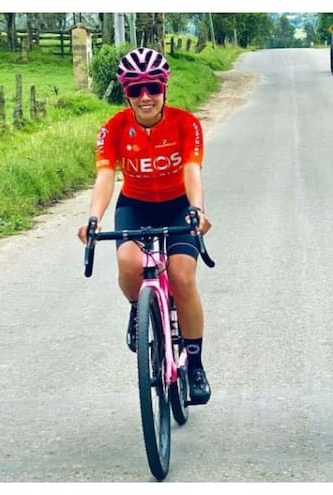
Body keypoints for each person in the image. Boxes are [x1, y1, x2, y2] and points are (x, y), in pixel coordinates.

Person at [77, 47, 213, 405]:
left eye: (152, 87)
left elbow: (191, 171)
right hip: (135, 205)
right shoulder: (114, 128)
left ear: (164, 88)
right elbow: (105, 175)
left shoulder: (186, 124)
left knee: (182, 276)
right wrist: (94, 218)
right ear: (126, 94)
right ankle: (139, 306)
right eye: (136, 90)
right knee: (128, 263)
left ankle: (195, 364)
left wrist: (197, 210)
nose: (145, 97)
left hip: (176, 206)